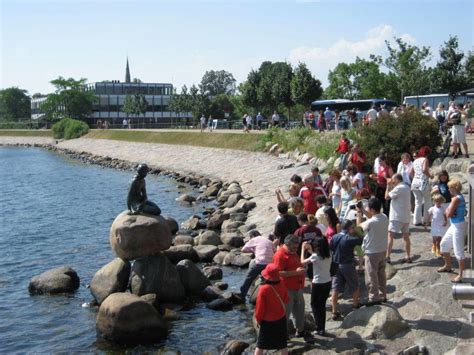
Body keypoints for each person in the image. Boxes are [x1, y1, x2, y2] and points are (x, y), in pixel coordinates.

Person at [273, 235, 309, 338]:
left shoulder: (292, 252)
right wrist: (296, 273)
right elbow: (278, 273)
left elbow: (297, 265)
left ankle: (300, 331)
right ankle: (282, 335)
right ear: (288, 244)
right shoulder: (279, 255)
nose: (296, 249)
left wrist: (302, 267)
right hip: (286, 289)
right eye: (295, 247)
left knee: (299, 310)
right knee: (285, 313)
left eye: (297, 247)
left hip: (298, 287)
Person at [357, 197, 389, 305]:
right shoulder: (384, 217)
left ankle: (374, 297)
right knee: (381, 274)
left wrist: (359, 214)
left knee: (371, 276)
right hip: (382, 250)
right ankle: (383, 295)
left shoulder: (370, 223)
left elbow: (359, 226)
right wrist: (364, 210)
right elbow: (373, 216)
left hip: (372, 253)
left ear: (372, 209)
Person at [329, 220, 363, 319]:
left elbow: (331, 247)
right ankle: (355, 305)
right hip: (347, 264)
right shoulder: (349, 238)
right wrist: (356, 231)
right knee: (354, 284)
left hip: (336, 264)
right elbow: (362, 240)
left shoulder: (335, 237)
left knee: (335, 287)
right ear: (349, 228)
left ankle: (334, 311)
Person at [254, 263, 289, 355]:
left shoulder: (263, 289)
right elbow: (286, 299)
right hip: (280, 318)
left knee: (260, 345)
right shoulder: (282, 284)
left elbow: (259, 308)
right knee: (283, 344)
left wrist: (258, 320)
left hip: (267, 320)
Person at [300, 237, 332, 336]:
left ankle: (319, 328)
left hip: (318, 283)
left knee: (314, 305)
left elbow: (302, 262)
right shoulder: (329, 253)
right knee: (321, 305)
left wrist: (302, 249)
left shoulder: (315, 256)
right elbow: (315, 254)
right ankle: (322, 328)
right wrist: (309, 249)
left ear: (317, 246)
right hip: (327, 282)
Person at [438, 180, 467, 283]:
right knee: (444, 244)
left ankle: (461, 275)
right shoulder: (457, 198)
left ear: (454, 188)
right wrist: (448, 210)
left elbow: (448, 214)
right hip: (454, 225)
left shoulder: (456, 199)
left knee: (458, 251)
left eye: (450, 187)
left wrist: (448, 210)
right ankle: (448, 265)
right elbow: (449, 212)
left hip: (458, 226)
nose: (449, 189)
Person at [240, 230, 276, 299]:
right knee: (265, 279)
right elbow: (275, 251)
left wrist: (253, 250)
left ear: (252, 236)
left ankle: (242, 295)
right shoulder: (268, 241)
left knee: (249, 277)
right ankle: (266, 295)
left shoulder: (254, 239)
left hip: (260, 263)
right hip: (270, 264)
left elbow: (243, 249)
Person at [385, 174, 412, 264]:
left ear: (397, 179)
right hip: (406, 216)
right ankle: (408, 256)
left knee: (390, 235)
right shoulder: (406, 187)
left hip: (396, 216)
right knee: (406, 237)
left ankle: (387, 257)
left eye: (393, 179)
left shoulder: (398, 188)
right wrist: (392, 185)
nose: (392, 180)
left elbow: (387, 197)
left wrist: (388, 186)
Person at [410, 146, 433, 226]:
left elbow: (411, 173)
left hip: (415, 182)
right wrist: (430, 176)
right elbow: (424, 170)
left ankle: (416, 221)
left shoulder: (415, 161)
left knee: (417, 202)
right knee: (427, 200)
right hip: (423, 182)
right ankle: (427, 219)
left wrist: (415, 178)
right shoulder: (425, 160)